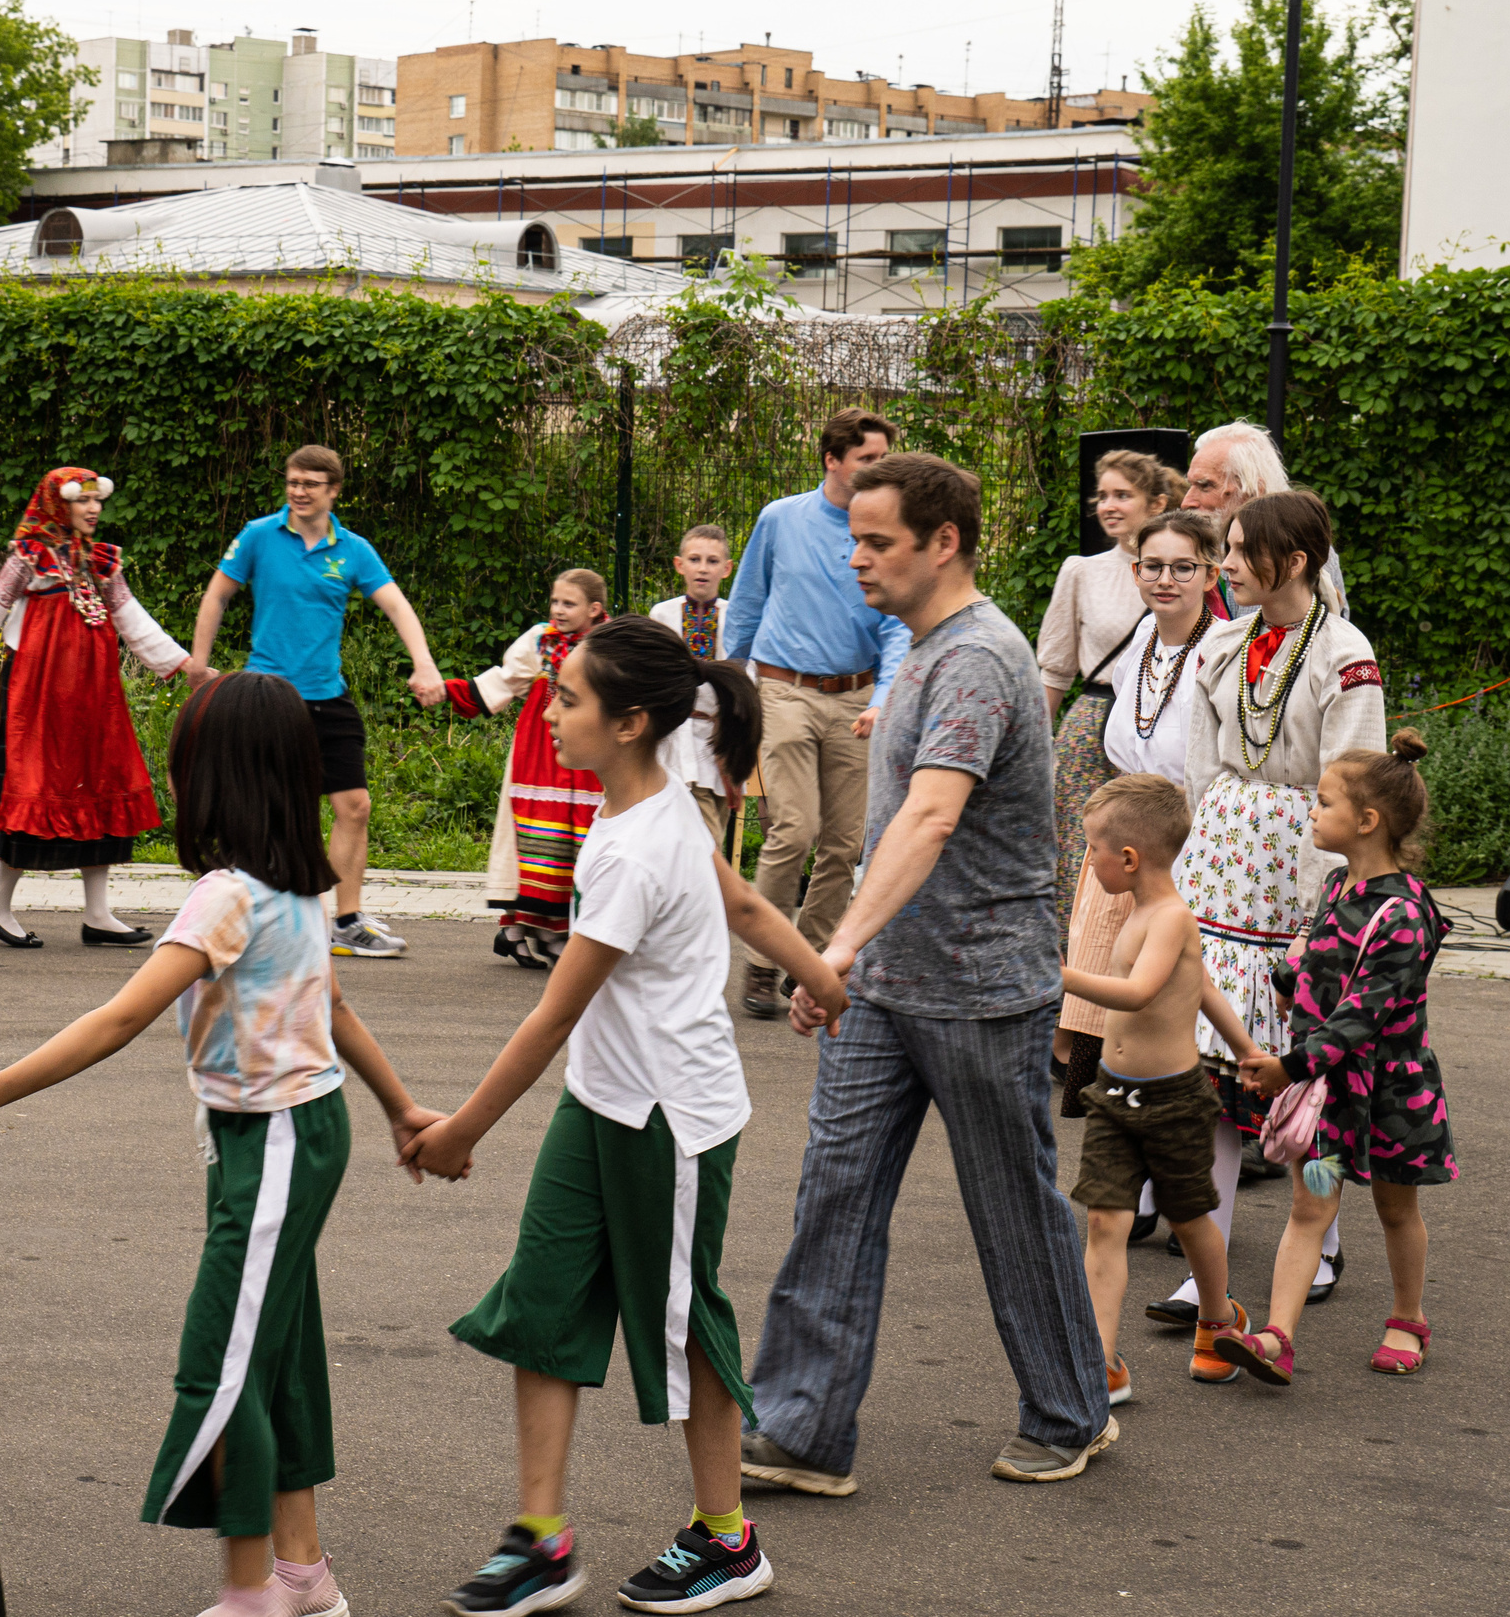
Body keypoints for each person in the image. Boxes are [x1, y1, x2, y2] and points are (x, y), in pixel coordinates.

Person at [0, 670, 445, 1617]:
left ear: (212, 777)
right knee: (278, 1350)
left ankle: (251, 1591)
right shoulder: (300, 883)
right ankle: (301, 1573)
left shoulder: (225, 897)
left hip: (275, 1144)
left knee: (221, 1358)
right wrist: (399, 1106)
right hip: (297, 1134)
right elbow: (331, 1007)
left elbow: (118, 1018)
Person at [403, 619, 846, 1617]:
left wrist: (463, 1128)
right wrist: (825, 981)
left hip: (671, 1120)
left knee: (684, 1321)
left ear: (631, 719)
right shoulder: (654, 814)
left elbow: (554, 1009)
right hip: (603, 1101)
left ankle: (727, 1540)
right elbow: (742, 904)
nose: (550, 711)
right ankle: (541, 1539)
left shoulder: (639, 847)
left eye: (566, 698)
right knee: (543, 1304)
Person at [755, 452, 1114, 1492]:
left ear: (941, 543)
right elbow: (899, 813)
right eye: (854, 539)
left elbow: (930, 812)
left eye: (877, 542)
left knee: (1010, 1205)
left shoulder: (974, 658)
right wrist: (854, 962)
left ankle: (1068, 1410)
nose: (855, 559)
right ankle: (806, 1429)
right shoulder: (916, 650)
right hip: (886, 991)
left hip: (981, 991)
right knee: (834, 1193)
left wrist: (833, 946)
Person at [1157, 489, 1380, 1327]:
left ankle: (1319, 1240)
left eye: (1240, 550)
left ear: (1293, 562)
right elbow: (1204, 764)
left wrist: (1334, 899)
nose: (1225, 565)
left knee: (1305, 1086)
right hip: (1222, 879)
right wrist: (1218, 833)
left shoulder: (1343, 654)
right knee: (1213, 1081)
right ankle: (1205, 1264)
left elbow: (1352, 781)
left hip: (1299, 889)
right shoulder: (1223, 643)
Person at [1221, 734, 1456, 1387]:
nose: (1311, 813)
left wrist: (1288, 1067)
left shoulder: (1404, 913)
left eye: (1323, 803)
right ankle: (1276, 1338)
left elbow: (1364, 1016)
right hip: (1332, 1100)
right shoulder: (1334, 886)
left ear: (1367, 821)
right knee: (1310, 1208)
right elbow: (1318, 970)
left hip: (1390, 1098)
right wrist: (1285, 973)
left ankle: (1408, 1319)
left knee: (1394, 1207)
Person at [189, 445, 449, 959]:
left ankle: (346, 922)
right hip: (267, 699)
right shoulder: (260, 535)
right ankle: (251, 914)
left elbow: (397, 606)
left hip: (328, 698)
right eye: (293, 482)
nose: (299, 491)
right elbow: (217, 595)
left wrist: (424, 663)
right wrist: (199, 664)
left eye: (311, 484)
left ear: (333, 491)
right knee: (270, 811)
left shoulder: (352, 550)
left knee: (355, 806)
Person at [1057, 773, 1258, 1404]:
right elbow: (1199, 986)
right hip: (1115, 1095)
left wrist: (1056, 976)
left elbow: (1145, 991)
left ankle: (1218, 1319)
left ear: (1129, 858)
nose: (1087, 861)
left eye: (1092, 849)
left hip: (1173, 1100)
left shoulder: (1169, 917)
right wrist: (1248, 1047)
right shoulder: (1140, 911)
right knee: (1105, 1221)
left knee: (1191, 1217)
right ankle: (1100, 1364)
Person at [0, 466, 202, 948]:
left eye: (96, 501)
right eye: (82, 502)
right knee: (32, 788)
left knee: (102, 784)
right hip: (37, 698)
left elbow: (132, 618)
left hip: (93, 697)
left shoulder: (100, 561)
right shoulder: (30, 556)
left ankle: (98, 914)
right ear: (58, 505)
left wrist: (182, 664)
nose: (93, 509)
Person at [722, 408, 911, 1017]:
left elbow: (898, 629)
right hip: (783, 691)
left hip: (856, 698)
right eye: (867, 460)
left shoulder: (884, 533)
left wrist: (883, 700)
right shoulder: (782, 518)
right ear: (833, 460)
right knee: (794, 828)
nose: (879, 470)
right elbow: (747, 603)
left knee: (844, 843)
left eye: (885, 459)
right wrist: (728, 690)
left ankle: (810, 963)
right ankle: (760, 962)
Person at [1054, 513, 1222, 1192]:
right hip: (1132, 842)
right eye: (1153, 565)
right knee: (1117, 1020)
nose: (1165, 579)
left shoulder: (1227, 648)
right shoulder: (1141, 639)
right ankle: (1137, 1178)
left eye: (1183, 567)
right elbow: (1126, 735)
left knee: (1169, 1009)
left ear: (1212, 575)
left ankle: (1184, 1180)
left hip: (1191, 839)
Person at [1035, 448, 1182, 931]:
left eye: (1123, 494)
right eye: (1102, 496)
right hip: (1090, 721)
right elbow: (1054, 669)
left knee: (1148, 842)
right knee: (1082, 846)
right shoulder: (1081, 570)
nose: (1109, 505)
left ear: (1156, 504)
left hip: (1158, 719)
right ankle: (1073, 959)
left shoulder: (1178, 571)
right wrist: (1035, 747)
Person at [444, 567, 609, 969]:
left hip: (585, 756)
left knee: (576, 841)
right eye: (555, 601)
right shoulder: (540, 640)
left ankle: (551, 934)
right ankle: (525, 931)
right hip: (538, 756)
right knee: (535, 842)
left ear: (595, 608)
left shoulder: (607, 645)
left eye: (569, 603)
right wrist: (447, 691)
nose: (558, 610)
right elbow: (503, 682)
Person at [1180, 420, 1346, 615]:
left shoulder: (1307, 547)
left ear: (1253, 491)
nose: (1186, 502)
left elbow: (1321, 634)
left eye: (1205, 486)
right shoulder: (1194, 545)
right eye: (1190, 485)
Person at [649, 524, 738, 850]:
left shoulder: (736, 617)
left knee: (712, 830)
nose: (703, 568)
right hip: (672, 737)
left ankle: (709, 897)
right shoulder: (662, 614)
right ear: (679, 564)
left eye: (712, 561)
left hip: (716, 741)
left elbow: (746, 677)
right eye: (695, 559)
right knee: (685, 836)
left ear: (726, 569)